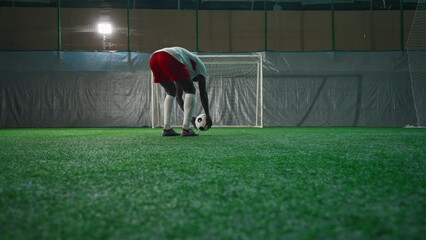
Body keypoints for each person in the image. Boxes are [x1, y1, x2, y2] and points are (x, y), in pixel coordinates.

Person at [149, 47, 212, 136]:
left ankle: (167, 129)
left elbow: (178, 96)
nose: (195, 81)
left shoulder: (185, 67)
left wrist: (191, 118)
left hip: (154, 58)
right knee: (190, 89)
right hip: (168, 56)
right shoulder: (201, 68)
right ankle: (186, 129)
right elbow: (203, 93)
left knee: (171, 92)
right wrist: (208, 115)